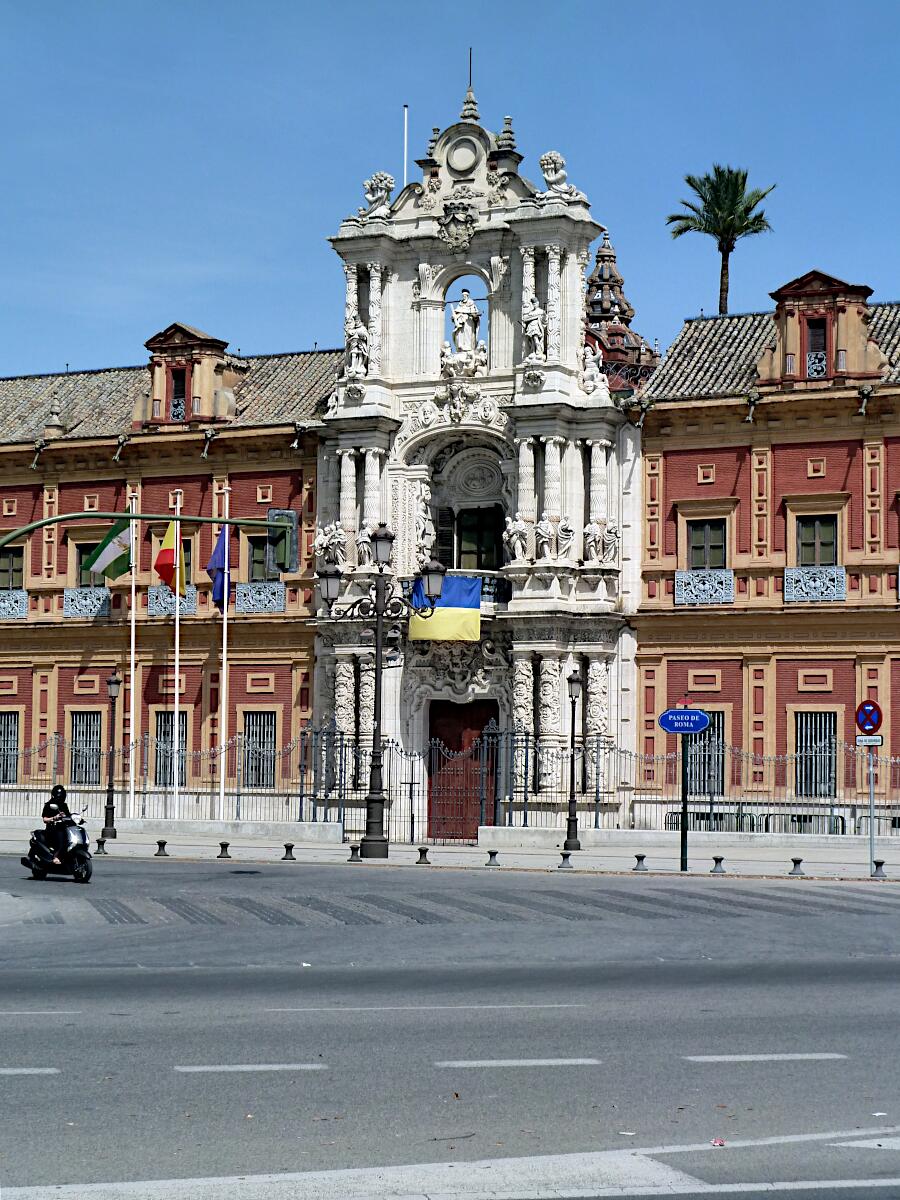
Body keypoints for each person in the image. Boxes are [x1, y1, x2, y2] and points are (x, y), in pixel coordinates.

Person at [38, 784, 71, 865]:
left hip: (63, 827)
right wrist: (54, 818)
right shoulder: (49, 805)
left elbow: (68, 815)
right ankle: (56, 857)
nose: (60, 798)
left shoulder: (64, 805)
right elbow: (45, 819)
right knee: (61, 837)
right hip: (52, 829)